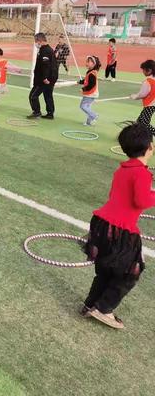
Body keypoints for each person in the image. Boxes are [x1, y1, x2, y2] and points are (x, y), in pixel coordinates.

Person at [81, 123, 154, 329]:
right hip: (121, 231)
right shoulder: (141, 173)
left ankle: (90, 305)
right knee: (130, 272)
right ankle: (104, 309)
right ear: (150, 146)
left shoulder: (123, 169)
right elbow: (141, 201)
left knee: (104, 270)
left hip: (102, 225)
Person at [27, 32, 58, 120]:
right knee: (48, 95)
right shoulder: (45, 49)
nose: (35, 43)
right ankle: (50, 113)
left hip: (44, 79)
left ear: (40, 41)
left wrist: (45, 78)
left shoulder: (46, 51)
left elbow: (46, 66)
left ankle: (37, 112)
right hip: (49, 78)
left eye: (36, 41)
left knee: (33, 96)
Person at [130, 60, 155, 135]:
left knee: (145, 124)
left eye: (143, 70)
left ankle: (139, 137)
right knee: (140, 121)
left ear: (149, 70)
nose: (143, 72)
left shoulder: (148, 81)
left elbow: (142, 94)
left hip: (150, 105)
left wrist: (134, 96)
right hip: (152, 105)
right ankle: (134, 135)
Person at [77, 55, 100, 126]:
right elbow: (87, 80)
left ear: (93, 64)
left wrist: (83, 89)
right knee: (88, 107)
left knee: (83, 106)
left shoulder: (92, 73)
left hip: (90, 94)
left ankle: (94, 115)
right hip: (92, 93)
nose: (86, 63)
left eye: (88, 62)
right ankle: (88, 122)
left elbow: (91, 84)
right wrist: (80, 82)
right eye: (86, 61)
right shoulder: (90, 72)